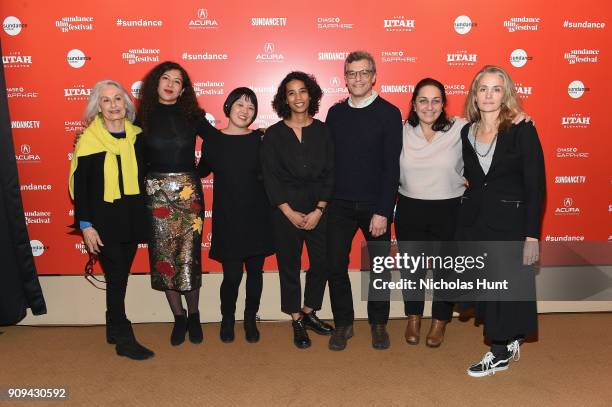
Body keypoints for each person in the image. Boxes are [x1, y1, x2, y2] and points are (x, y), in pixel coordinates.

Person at [456, 65, 545, 377]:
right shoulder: (466, 132)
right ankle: (508, 340)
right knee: (487, 289)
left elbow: (536, 186)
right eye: (483, 89)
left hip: (510, 223)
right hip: (475, 223)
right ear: (474, 94)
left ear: (505, 94)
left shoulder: (522, 129)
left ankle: (499, 353)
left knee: (503, 289)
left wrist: (531, 235)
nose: (489, 95)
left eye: (496, 89)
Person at [69, 80, 154, 360]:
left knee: (119, 277)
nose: (113, 105)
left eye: (118, 98)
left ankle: (111, 324)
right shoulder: (89, 140)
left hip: (132, 218)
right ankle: (123, 335)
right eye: (106, 100)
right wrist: (85, 225)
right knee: (117, 276)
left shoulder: (138, 137)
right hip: (102, 223)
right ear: (98, 107)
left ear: (126, 104)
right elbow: (81, 188)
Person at [325, 51, 403, 351]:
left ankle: (378, 324)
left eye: (363, 73)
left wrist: (384, 210)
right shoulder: (335, 114)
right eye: (351, 73)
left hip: (375, 206)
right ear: (345, 78)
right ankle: (343, 323)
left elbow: (391, 167)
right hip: (339, 205)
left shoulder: (389, 113)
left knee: (379, 269)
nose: (357, 78)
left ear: (373, 77)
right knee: (334, 265)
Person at [136, 61, 215, 346]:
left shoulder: (192, 116)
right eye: (165, 78)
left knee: (188, 257)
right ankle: (178, 317)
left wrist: (201, 169)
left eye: (177, 81)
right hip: (155, 194)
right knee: (164, 258)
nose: (170, 84)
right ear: (155, 83)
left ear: (183, 89)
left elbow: (216, 142)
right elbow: (131, 156)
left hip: (188, 195)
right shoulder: (140, 117)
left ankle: (194, 314)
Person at [261, 71, 335, 349]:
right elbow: (270, 177)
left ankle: (309, 311)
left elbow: (331, 172)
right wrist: (288, 211)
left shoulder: (324, 130)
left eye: (302, 91)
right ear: (285, 99)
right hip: (285, 212)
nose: (298, 97)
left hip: (319, 209)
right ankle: (296, 319)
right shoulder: (273, 135)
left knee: (322, 263)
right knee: (289, 267)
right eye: (291, 93)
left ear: (311, 94)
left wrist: (319, 209)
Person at [198, 87, 274, 343]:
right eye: (241, 105)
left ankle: (250, 319)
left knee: (255, 274)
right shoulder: (213, 140)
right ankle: (227, 318)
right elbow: (200, 172)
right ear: (229, 106)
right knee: (231, 276)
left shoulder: (261, 140)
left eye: (251, 107)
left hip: (257, 217)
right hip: (228, 219)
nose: (245, 111)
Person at [395, 78, 466, 348]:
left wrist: (519, 116)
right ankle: (413, 318)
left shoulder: (460, 127)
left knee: (445, 270)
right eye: (423, 100)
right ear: (413, 104)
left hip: (449, 209)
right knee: (412, 270)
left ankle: (439, 322)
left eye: (436, 100)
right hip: (410, 208)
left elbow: (494, 127)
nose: (429, 106)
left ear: (444, 104)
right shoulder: (401, 131)